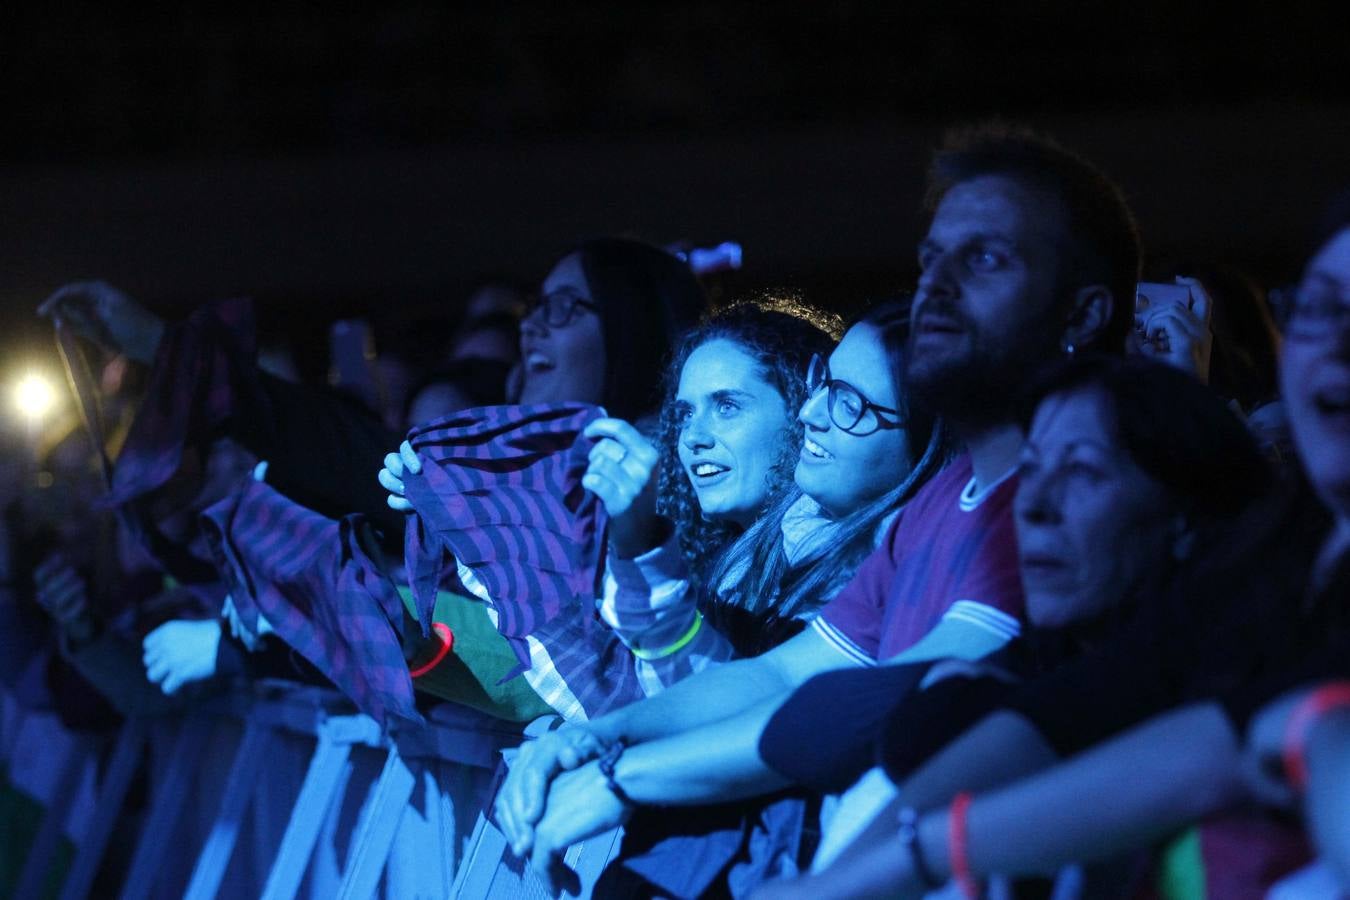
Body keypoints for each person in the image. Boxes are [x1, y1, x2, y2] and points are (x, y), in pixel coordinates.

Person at [497, 123, 1143, 893]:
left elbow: (896, 698)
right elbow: (786, 674)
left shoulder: (1079, 488)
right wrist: (601, 741)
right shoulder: (942, 496)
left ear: (1080, 317)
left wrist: (624, 778)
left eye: (985, 260)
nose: (936, 287)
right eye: (932, 258)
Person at [758, 203, 1350, 900]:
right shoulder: (1272, 563)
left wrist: (1315, 728)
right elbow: (817, 725)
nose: (1035, 508)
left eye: (1086, 473)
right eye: (1320, 308)